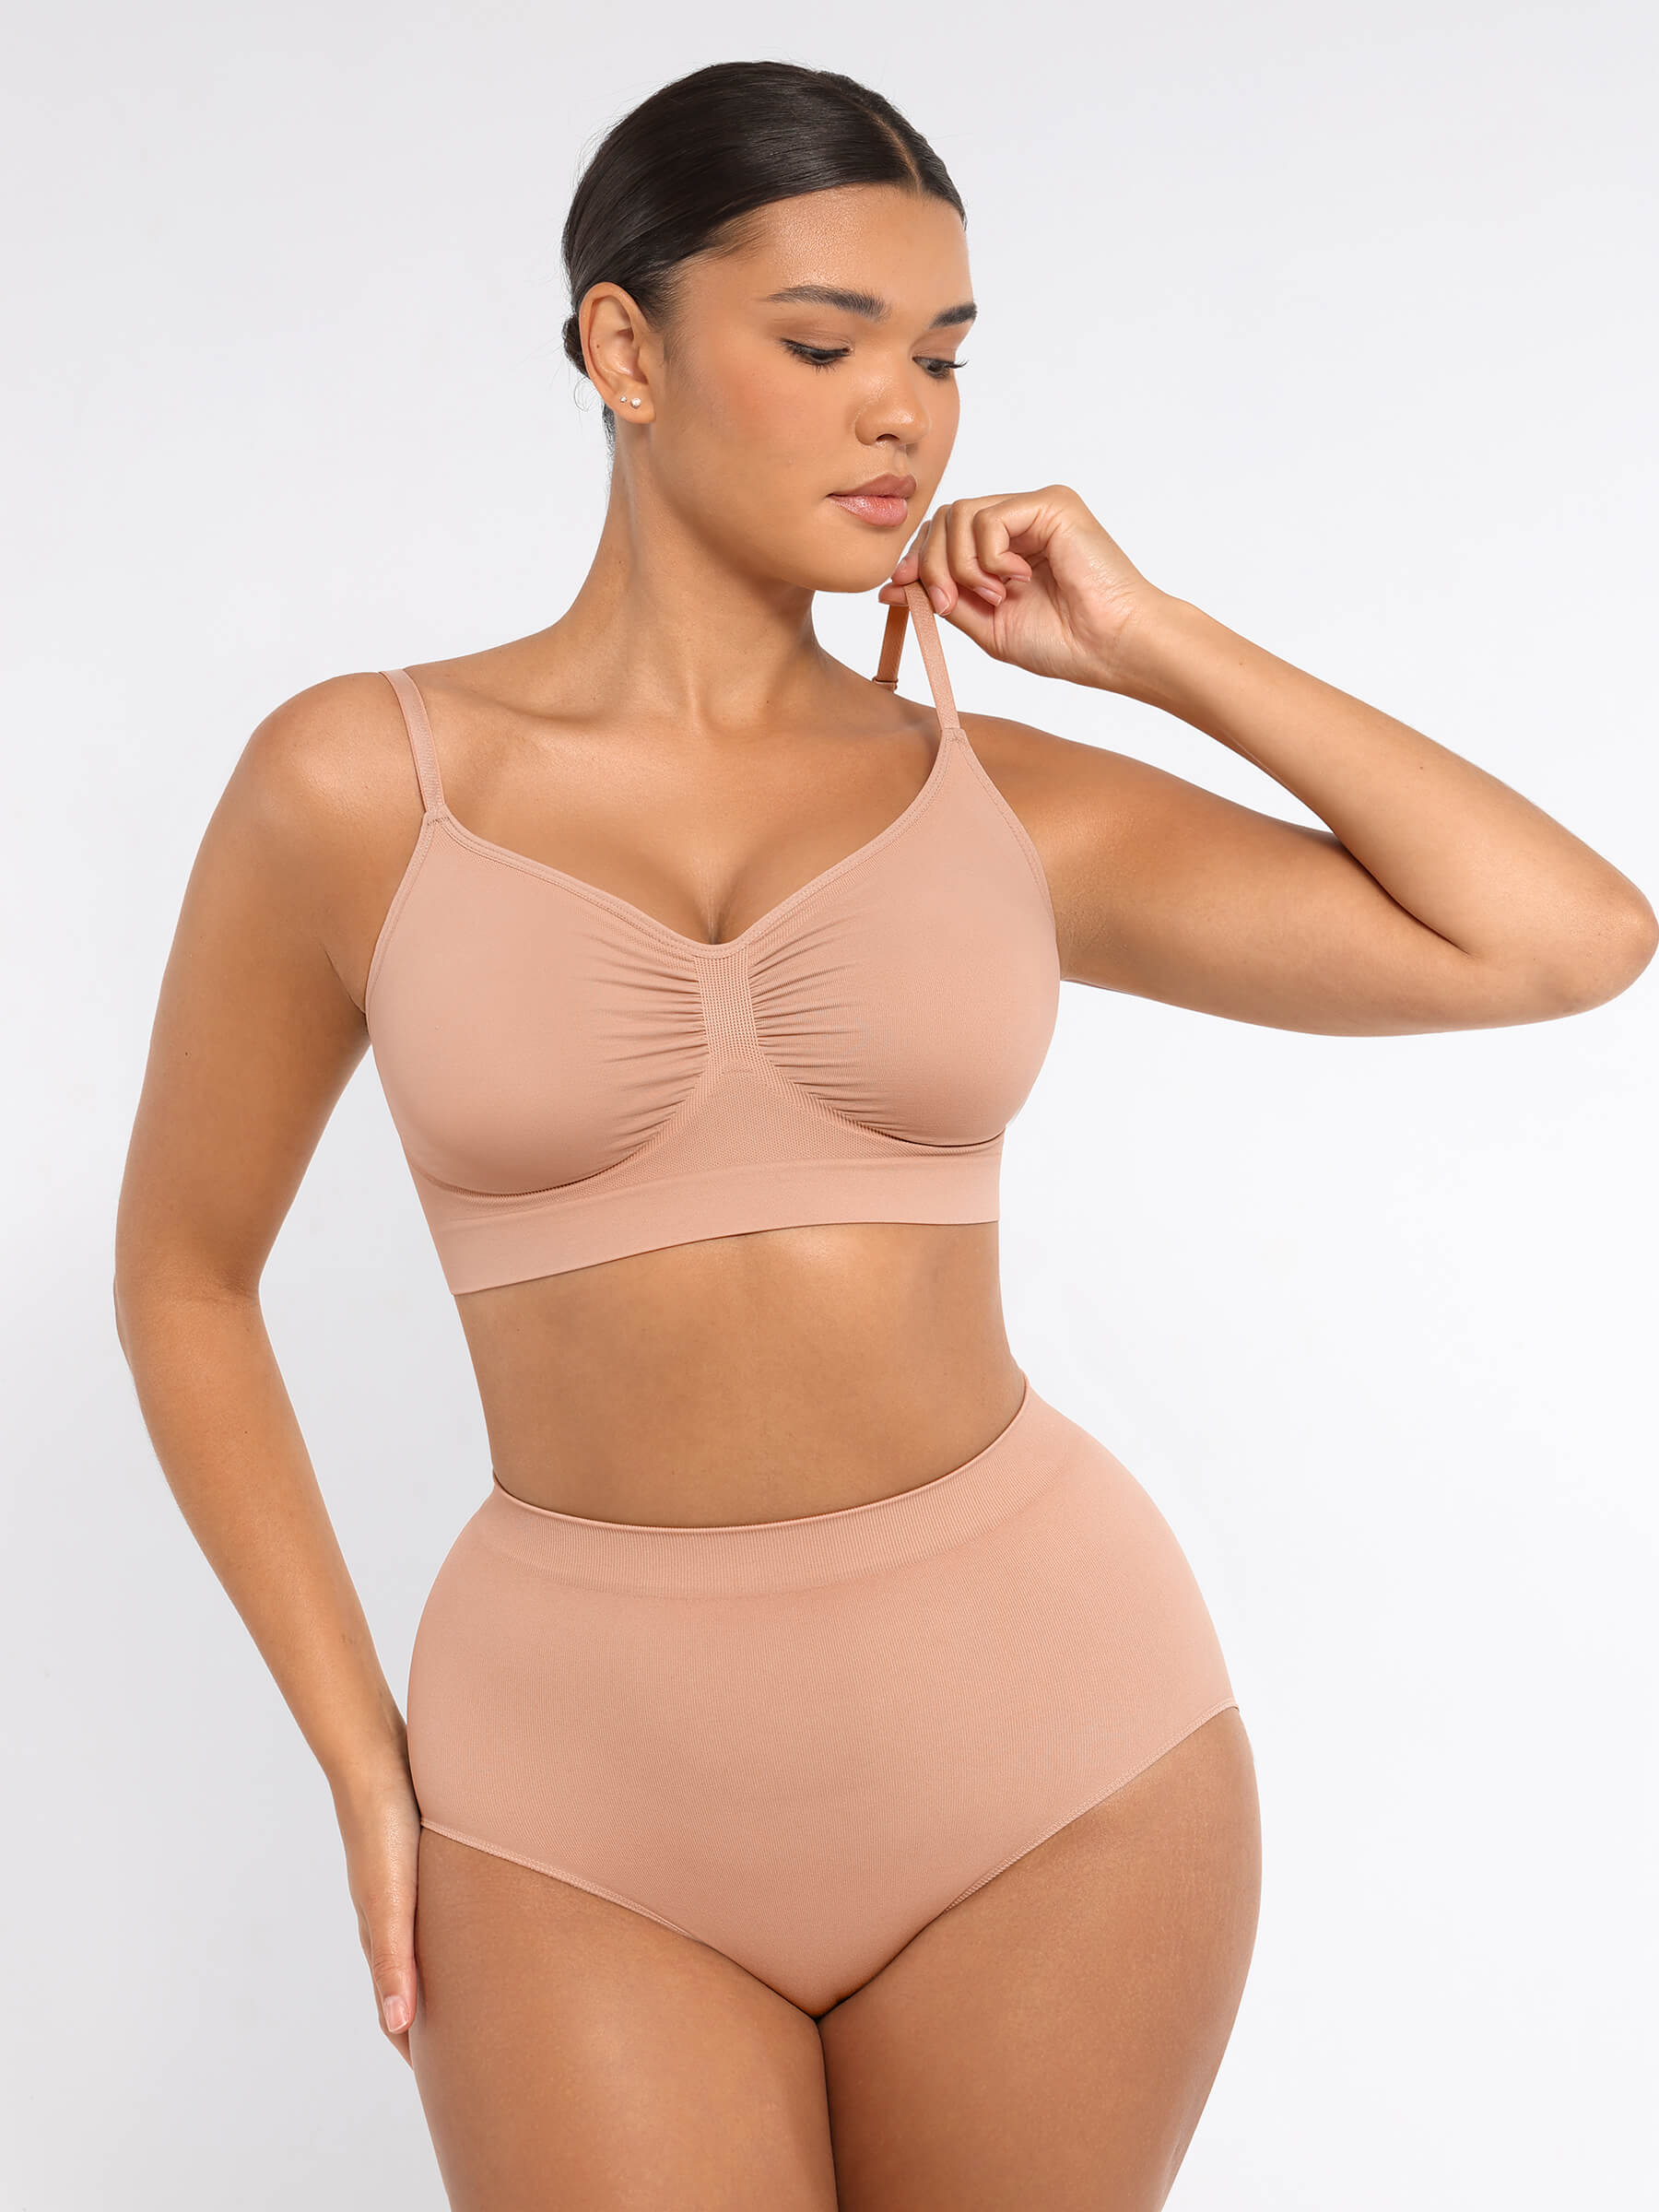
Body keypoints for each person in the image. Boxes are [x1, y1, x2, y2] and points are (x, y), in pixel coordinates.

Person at [112, 57, 1655, 2212]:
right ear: (624, 348)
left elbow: (1563, 938)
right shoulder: (361, 786)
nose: (901, 419)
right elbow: (183, 1278)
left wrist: (1155, 645)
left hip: (1056, 1758)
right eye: (826, 345)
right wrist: (361, 1758)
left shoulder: (994, 800)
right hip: (573, 1798)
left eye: (939, 359)